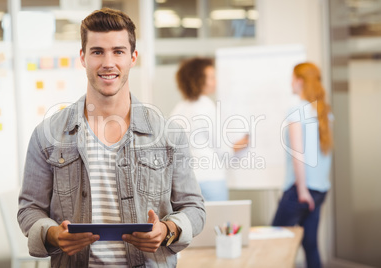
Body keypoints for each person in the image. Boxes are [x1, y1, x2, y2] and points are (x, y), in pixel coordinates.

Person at [18, 8, 205, 268]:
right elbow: (29, 209)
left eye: (118, 51)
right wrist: (54, 235)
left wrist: (167, 230)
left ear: (133, 57)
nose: (108, 62)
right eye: (97, 52)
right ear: (83, 58)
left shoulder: (168, 134)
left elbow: (194, 208)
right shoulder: (47, 135)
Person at [272, 62, 333, 268]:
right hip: (320, 189)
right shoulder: (324, 112)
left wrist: (302, 190)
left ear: (299, 81)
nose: (290, 82)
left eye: (292, 78)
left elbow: (298, 155)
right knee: (310, 244)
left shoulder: (296, 110)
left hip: (300, 190)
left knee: (275, 242)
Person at [170, 57, 249, 201]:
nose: (215, 82)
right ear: (199, 80)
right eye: (211, 77)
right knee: (216, 223)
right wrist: (242, 143)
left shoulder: (178, 109)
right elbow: (223, 149)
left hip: (185, 181)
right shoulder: (206, 106)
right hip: (210, 178)